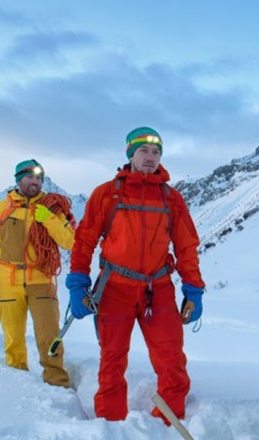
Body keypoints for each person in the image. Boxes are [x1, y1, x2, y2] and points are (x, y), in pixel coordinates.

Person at [66, 126, 205, 424]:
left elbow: (186, 246)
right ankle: (110, 424)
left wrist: (193, 288)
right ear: (130, 154)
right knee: (113, 360)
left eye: (156, 152)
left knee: (171, 358)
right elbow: (84, 241)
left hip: (159, 288)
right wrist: (78, 282)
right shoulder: (108, 194)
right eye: (144, 151)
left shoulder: (172, 199)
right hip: (115, 288)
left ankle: (169, 422)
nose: (150, 157)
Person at [0, 160, 75, 387]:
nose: (34, 182)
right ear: (18, 179)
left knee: (50, 335)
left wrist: (47, 218)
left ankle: (56, 381)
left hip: (42, 279)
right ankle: (17, 382)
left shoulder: (51, 209)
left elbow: (69, 241)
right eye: (29, 177)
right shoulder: (0, 209)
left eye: (39, 178)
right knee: (13, 336)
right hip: (8, 281)